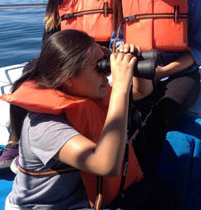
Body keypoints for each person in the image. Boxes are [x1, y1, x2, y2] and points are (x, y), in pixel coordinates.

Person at [0, 0, 119, 170]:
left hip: (101, 57)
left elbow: (125, 31)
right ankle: (15, 140)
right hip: (68, 57)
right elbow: (50, 37)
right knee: (28, 73)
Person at [0, 29, 153, 209]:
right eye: (99, 67)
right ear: (69, 78)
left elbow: (141, 92)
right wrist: (120, 88)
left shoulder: (86, 93)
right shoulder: (43, 125)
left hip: (78, 198)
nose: (106, 74)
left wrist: (135, 64)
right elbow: (106, 165)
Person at [112, 0, 201, 170]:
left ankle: (133, 176)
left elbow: (198, 49)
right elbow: (117, 37)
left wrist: (163, 71)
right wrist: (122, 47)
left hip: (178, 72)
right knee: (117, 114)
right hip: (139, 70)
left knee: (160, 117)